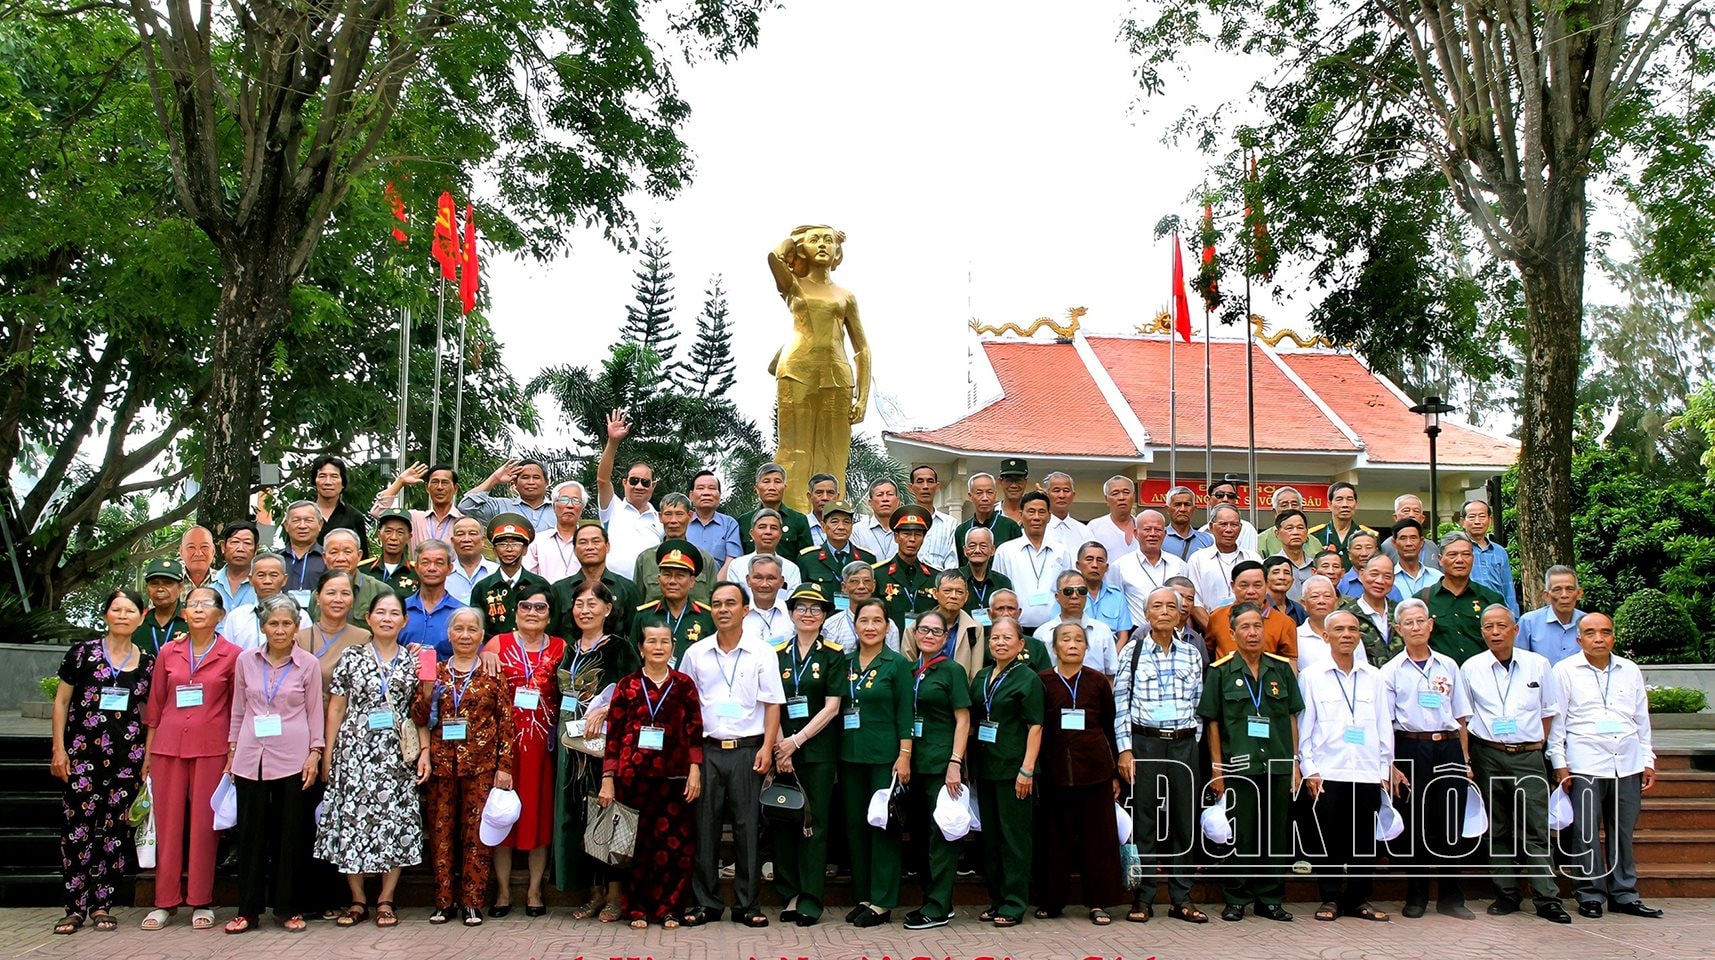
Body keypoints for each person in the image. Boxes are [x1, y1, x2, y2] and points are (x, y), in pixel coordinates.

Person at [314, 591, 429, 929]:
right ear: (369, 618)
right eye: (381, 612)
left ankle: (386, 899)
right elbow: (336, 706)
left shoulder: (412, 661)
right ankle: (358, 899)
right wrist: (328, 754)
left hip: (396, 754)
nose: (387, 618)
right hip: (354, 751)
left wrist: (424, 752)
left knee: (394, 821)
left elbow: (419, 712)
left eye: (395, 613)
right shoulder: (351, 656)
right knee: (352, 821)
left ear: (404, 621)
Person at [50, 589, 154, 936]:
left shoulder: (148, 662)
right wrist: (58, 749)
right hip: (82, 756)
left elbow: (148, 715)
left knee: (116, 831)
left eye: (130, 611)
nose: (123, 616)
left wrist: (147, 759)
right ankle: (74, 907)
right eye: (116, 609)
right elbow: (62, 702)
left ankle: (102, 905)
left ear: (141, 617)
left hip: (127, 760)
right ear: (106, 614)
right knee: (76, 830)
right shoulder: (83, 654)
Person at [682, 583, 784, 927]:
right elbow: (686, 708)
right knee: (704, 828)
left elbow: (772, 705)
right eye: (716, 604)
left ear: (745, 610)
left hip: (747, 751)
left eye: (730, 603)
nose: (723, 609)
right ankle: (706, 903)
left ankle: (747, 905)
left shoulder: (762, 652)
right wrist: (693, 760)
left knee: (747, 829)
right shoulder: (696, 653)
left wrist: (768, 748)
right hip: (708, 749)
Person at [1549, 613, 1663, 919]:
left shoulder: (1630, 669)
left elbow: (1641, 719)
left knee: (1622, 832)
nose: (1598, 638)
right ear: (1579, 639)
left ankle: (1624, 893)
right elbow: (1557, 721)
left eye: (1605, 632)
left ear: (1613, 637)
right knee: (1584, 832)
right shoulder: (1564, 671)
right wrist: (1560, 764)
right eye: (1590, 633)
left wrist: (1647, 759)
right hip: (1585, 762)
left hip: (1627, 762)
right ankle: (1589, 894)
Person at [140, 585, 241, 931]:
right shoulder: (169, 652)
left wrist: (232, 752)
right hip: (167, 746)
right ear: (185, 613)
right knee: (168, 826)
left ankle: (201, 900)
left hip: (211, 748)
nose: (197, 609)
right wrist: (148, 754)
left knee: (203, 827)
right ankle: (164, 902)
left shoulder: (233, 655)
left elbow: (237, 708)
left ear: (220, 615)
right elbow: (155, 705)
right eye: (192, 604)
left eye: (205, 604)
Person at [224, 593, 324, 934]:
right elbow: (238, 708)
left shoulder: (308, 663)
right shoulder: (245, 661)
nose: (279, 630)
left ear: (297, 627)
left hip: (293, 757)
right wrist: (232, 749)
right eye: (272, 623)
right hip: (251, 756)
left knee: (289, 836)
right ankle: (247, 911)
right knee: (250, 836)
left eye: (286, 623)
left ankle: (286, 908)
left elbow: (314, 711)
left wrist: (315, 751)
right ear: (262, 626)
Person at [1461, 604, 1568, 923]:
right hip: (1488, 754)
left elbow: (1550, 711)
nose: (1495, 632)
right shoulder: (1471, 667)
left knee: (1535, 826)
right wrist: (1468, 759)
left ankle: (1547, 897)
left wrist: (1537, 746)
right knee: (1498, 826)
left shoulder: (1538, 664)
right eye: (1489, 627)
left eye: (1501, 626)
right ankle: (1506, 894)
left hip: (1528, 755)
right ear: (1482, 633)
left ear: (1515, 630)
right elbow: (1464, 717)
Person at [1199, 603, 1302, 922]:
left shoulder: (1281, 668)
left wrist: (1295, 762)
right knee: (1241, 833)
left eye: (1258, 626)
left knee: (1275, 833)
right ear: (1232, 633)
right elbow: (1213, 723)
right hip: (1238, 766)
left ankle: (1270, 898)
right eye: (1245, 627)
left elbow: (1291, 716)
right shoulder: (1220, 671)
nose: (1253, 632)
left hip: (1277, 762)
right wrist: (1217, 771)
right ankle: (1236, 898)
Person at [412, 609, 514, 926]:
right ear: (450, 634)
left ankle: (472, 901)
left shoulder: (493, 673)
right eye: (459, 629)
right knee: (441, 834)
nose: (466, 635)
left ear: (482, 635)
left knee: (476, 836)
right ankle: (444, 902)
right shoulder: (436, 672)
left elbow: (506, 724)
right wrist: (427, 690)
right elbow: (418, 716)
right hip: (442, 763)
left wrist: (505, 767)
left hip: (482, 764)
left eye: (472, 629)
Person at [599, 621, 703, 929]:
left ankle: (670, 908)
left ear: (673, 647)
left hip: (675, 778)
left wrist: (695, 768)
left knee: (676, 846)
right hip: (633, 777)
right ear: (641, 647)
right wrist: (608, 777)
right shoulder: (627, 685)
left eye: (664, 642)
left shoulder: (684, 684)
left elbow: (694, 730)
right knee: (637, 846)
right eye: (652, 641)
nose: (658, 647)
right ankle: (637, 908)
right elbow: (614, 735)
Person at [1379, 598, 1474, 920]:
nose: (1416, 627)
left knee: (1450, 822)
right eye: (1409, 623)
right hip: (1410, 748)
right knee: (1416, 823)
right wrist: (1390, 764)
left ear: (1431, 624)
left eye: (1421, 621)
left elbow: (1461, 717)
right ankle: (1416, 895)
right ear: (1398, 629)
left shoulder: (1448, 665)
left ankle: (1452, 897)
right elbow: (1385, 723)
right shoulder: (1390, 671)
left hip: (1447, 748)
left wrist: (1465, 759)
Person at [765, 223, 871, 512]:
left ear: (838, 250)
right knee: (793, 448)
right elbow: (774, 257)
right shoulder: (794, 285)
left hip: (837, 375)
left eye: (828, 240)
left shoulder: (845, 295)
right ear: (802, 249)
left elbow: (861, 347)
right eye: (815, 241)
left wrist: (862, 397)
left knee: (835, 451)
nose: (823, 245)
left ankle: (832, 516)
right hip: (797, 370)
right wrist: (793, 243)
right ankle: (789, 517)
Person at [1114, 586, 1204, 923]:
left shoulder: (1191, 653)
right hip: (1145, 743)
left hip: (1182, 744)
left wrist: (1191, 739)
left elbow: (1198, 702)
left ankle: (1182, 897)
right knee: (1146, 821)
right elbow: (1120, 703)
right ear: (1147, 614)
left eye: (1172, 606)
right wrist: (1125, 750)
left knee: (1184, 821)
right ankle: (1144, 897)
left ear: (1182, 613)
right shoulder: (1132, 652)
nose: (1164, 611)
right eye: (1157, 606)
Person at [552, 578, 641, 920]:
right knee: (578, 816)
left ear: (607, 609)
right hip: (570, 745)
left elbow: (635, 689)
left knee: (608, 813)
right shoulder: (569, 649)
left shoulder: (619, 647)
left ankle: (616, 894)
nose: (585, 610)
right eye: (579, 604)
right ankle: (593, 892)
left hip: (604, 744)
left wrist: (608, 707)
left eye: (592, 604)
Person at [1297, 610, 1394, 923]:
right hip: (1328, 770)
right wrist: (1309, 768)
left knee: (1364, 839)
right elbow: (1304, 725)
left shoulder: (1374, 677)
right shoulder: (1312, 676)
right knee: (1331, 838)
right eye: (1339, 629)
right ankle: (1329, 899)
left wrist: (1384, 770)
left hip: (1365, 770)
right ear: (1327, 637)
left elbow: (1383, 725)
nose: (1347, 635)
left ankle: (1357, 899)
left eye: (1353, 629)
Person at [483, 586, 563, 918]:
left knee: (539, 818)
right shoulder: (496, 645)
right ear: (515, 611)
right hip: (505, 746)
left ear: (550, 615)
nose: (532, 612)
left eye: (540, 608)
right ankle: (502, 892)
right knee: (503, 818)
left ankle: (534, 891)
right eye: (525, 606)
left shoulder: (561, 647)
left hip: (544, 748)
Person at [770, 584, 848, 927]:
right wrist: (782, 745)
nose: (807, 614)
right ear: (790, 613)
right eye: (800, 608)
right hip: (781, 748)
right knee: (783, 820)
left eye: (815, 609)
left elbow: (832, 708)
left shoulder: (834, 653)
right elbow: (771, 702)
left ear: (825, 615)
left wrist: (796, 742)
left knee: (812, 825)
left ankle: (811, 898)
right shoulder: (776, 653)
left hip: (816, 751)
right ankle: (789, 892)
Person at [1037, 622, 1124, 924]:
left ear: (1086, 647)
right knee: (1054, 839)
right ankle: (1051, 901)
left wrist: (1114, 772)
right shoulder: (1043, 681)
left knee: (1097, 840)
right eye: (1066, 639)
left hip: (1095, 770)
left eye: (1078, 640)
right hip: (1054, 771)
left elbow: (1110, 726)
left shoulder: (1098, 682)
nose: (1072, 644)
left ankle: (1099, 902)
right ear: (1055, 647)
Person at [838, 597, 914, 927]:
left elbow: (905, 713)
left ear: (887, 626)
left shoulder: (896, 664)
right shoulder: (845, 663)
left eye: (877, 621)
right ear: (855, 625)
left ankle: (882, 901)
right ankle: (864, 894)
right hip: (850, 754)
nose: (870, 627)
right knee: (855, 826)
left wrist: (905, 755)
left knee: (882, 825)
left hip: (886, 756)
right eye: (864, 620)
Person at [969, 616, 1044, 927]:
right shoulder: (982, 677)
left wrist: (1027, 770)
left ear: (1020, 644)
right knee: (991, 838)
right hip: (986, 768)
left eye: (1007, 638)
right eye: (995, 638)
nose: (1000, 642)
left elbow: (1036, 726)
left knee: (1014, 838)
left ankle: (1014, 903)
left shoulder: (1027, 679)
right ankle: (996, 898)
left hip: (1014, 770)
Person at [899, 610, 971, 931]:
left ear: (945, 638)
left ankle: (938, 906)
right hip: (913, 765)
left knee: (942, 835)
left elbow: (963, 720)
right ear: (914, 634)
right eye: (923, 630)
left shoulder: (952, 670)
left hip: (941, 765)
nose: (928, 635)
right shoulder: (910, 671)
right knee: (920, 837)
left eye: (936, 631)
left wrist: (955, 762)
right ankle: (935, 900)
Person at [596, 410, 664, 582]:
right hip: (612, 587)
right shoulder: (613, 507)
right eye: (634, 480)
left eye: (645, 482)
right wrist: (612, 442)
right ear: (625, 483)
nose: (639, 486)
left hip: (648, 591)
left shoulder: (661, 519)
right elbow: (602, 480)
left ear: (652, 486)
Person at [551, 520, 644, 641]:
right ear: (574, 550)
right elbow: (551, 637)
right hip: (571, 658)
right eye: (583, 542)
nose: (590, 547)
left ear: (607, 547)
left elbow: (636, 637)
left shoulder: (627, 588)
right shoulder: (559, 590)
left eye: (596, 541)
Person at [992, 492, 1073, 630]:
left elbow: (1068, 590)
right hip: (1017, 629)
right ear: (1020, 515)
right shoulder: (1006, 551)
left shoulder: (1061, 551)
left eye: (1041, 512)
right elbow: (999, 592)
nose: (1036, 517)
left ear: (1049, 517)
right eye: (1031, 511)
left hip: (1055, 629)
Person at [1421, 532, 1503, 664]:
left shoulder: (1490, 599)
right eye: (1452, 555)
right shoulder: (1423, 600)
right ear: (1440, 560)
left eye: (1466, 554)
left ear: (1473, 558)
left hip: (1481, 675)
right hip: (1439, 678)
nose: (1460, 560)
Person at [470, 514, 551, 639]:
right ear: (494, 550)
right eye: (502, 544)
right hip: (493, 654)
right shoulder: (482, 588)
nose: (509, 549)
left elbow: (550, 624)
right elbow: (477, 627)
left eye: (515, 544)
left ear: (525, 549)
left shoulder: (540, 584)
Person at [633, 493, 718, 604]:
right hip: (655, 620)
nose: (673, 520)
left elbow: (713, 601)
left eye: (679, 514)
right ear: (660, 517)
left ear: (690, 516)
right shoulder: (645, 559)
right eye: (668, 514)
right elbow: (636, 603)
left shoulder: (705, 560)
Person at [1204, 560, 1298, 661]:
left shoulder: (1285, 623)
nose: (1251, 591)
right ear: (1232, 586)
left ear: (1266, 585)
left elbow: (1290, 662)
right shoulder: (1217, 617)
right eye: (1244, 586)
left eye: (1257, 585)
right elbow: (1209, 653)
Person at [1033, 569, 1120, 676]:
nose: (1074, 596)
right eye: (1068, 591)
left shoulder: (1102, 631)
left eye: (1081, 591)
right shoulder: (1042, 633)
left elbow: (1112, 674)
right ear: (1057, 597)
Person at [1187, 504, 1263, 623]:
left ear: (1240, 527)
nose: (1229, 530)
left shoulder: (1253, 558)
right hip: (1210, 630)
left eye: (1234, 525)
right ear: (1211, 527)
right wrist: (1215, 631)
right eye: (1223, 524)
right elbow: (1195, 603)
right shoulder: (1198, 559)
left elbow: (1263, 596)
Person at [1114, 509, 1188, 627]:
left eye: (1158, 530)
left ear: (1164, 534)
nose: (1153, 534)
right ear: (1136, 533)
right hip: (1137, 634)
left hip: (1173, 633)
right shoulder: (1120, 566)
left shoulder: (1179, 565)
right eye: (1147, 529)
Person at [872, 505, 941, 630]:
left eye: (918, 534)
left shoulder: (935, 576)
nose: (912, 539)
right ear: (896, 537)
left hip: (925, 643)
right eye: (906, 534)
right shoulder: (878, 574)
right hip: (891, 642)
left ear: (923, 538)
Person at [369, 462, 465, 548]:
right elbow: (378, 512)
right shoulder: (415, 519)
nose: (440, 487)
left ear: (455, 489)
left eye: (445, 483)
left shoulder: (464, 522)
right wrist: (400, 481)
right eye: (435, 482)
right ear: (427, 488)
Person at [298, 570, 371, 677]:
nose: (338, 599)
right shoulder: (300, 639)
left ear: (353, 600)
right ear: (318, 598)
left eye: (345, 593)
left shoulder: (364, 639)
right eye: (331, 593)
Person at [312, 527, 394, 622]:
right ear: (324, 557)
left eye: (347, 552)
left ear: (359, 556)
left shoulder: (380, 591)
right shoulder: (318, 595)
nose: (341, 558)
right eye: (334, 552)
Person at [796, 499, 875, 597]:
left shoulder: (866, 558)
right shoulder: (808, 559)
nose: (841, 527)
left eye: (846, 522)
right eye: (834, 522)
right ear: (823, 526)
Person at [225, 553, 304, 651]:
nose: (267, 581)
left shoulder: (301, 616)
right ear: (251, 580)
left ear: (284, 580)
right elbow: (228, 655)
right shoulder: (236, 617)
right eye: (261, 575)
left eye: (273, 575)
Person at [401, 539, 465, 659]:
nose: (432, 568)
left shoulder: (461, 613)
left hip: (447, 676)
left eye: (439, 563)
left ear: (450, 569)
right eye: (425, 563)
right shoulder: (400, 610)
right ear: (417, 567)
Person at [739, 463, 815, 560]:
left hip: (790, 574)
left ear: (784, 487)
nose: (772, 487)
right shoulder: (744, 521)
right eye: (766, 481)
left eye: (777, 481)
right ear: (757, 488)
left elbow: (808, 559)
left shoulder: (798, 519)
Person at [923, 569, 987, 680]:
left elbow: (975, 674)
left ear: (966, 596)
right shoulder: (918, 627)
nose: (953, 596)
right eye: (947, 591)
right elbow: (909, 668)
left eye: (959, 592)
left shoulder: (975, 628)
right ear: (935, 593)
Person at [825, 560, 901, 653]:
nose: (861, 586)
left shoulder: (889, 626)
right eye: (854, 581)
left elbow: (895, 662)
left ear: (873, 586)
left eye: (866, 581)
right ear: (844, 587)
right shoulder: (830, 625)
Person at [1339, 554, 1404, 664]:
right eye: (1374, 574)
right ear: (1361, 574)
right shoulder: (1346, 615)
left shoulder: (1401, 613)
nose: (1380, 581)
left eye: (1387, 576)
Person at [460, 458, 556, 530]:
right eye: (525, 477)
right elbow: (466, 506)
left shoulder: (559, 508)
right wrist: (495, 479)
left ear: (546, 482)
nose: (531, 482)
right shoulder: (499, 506)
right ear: (514, 482)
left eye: (536, 477)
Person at [1518, 565, 1587, 665]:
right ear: (1546, 596)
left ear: (1579, 593)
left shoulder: (1589, 623)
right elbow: (1520, 660)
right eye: (1557, 589)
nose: (1564, 595)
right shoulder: (1529, 622)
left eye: (1570, 589)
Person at [523, 481, 590, 583]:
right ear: (554, 506)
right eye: (564, 500)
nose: (570, 505)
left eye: (576, 500)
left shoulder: (591, 542)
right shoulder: (537, 541)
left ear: (582, 508)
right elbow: (528, 577)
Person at [1460, 499, 1519, 616]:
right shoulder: (1458, 550)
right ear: (1462, 521)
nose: (1477, 522)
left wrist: (1513, 617)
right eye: (1472, 517)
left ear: (1490, 520)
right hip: (1469, 613)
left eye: (1482, 517)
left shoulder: (1499, 551)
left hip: (1498, 613)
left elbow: (1508, 589)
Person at [954, 472, 1023, 566]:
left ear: (995, 495)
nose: (985, 498)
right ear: (970, 496)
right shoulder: (962, 530)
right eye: (979, 493)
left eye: (989, 492)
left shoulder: (1010, 527)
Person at [726, 508, 804, 590]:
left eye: (773, 528)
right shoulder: (737, 566)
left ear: (780, 534)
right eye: (762, 527)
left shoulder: (791, 569)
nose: (768, 532)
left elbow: (793, 601)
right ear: (752, 534)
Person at [307, 455, 370, 554]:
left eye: (334, 476)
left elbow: (363, 559)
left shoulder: (354, 517)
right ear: (314, 481)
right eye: (322, 476)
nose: (328, 482)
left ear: (343, 483)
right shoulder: (302, 515)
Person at [686, 470, 743, 577]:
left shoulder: (729, 524)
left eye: (712, 488)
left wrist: (715, 587)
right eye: (700, 488)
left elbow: (732, 560)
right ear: (691, 495)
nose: (706, 493)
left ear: (719, 495)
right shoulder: (682, 522)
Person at [1075, 541, 1133, 643]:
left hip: (1111, 651)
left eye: (1100, 560)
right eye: (1089, 560)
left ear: (1106, 568)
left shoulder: (1117, 596)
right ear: (1078, 565)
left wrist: (1112, 658)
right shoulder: (1069, 594)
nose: (1094, 565)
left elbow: (1123, 636)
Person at [903, 464, 959, 570]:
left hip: (940, 582)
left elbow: (952, 561)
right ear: (911, 487)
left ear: (937, 486)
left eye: (930, 481)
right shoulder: (902, 522)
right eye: (920, 481)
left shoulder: (950, 524)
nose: (925, 486)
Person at [1297, 575, 1359, 669]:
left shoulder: (1350, 634)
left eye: (1327, 596)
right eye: (1315, 596)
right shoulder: (1295, 636)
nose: (1321, 601)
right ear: (1303, 603)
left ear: (1336, 602)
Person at [1308, 481, 1374, 563]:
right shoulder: (1315, 535)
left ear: (1356, 504)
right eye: (1339, 500)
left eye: (1349, 499)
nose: (1345, 504)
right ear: (1329, 504)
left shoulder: (1369, 536)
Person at [361, 509, 420, 598]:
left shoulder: (417, 572)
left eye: (400, 532)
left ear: (409, 537)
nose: (393, 537)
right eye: (388, 531)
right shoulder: (363, 570)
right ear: (379, 535)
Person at [957, 525, 1013, 619]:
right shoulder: (955, 579)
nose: (977, 550)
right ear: (965, 550)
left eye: (983, 546)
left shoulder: (1002, 582)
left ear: (992, 550)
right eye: (972, 546)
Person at [1086, 475, 1140, 569]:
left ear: (1134, 496)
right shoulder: (1094, 527)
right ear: (1107, 499)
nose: (1121, 497)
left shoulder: (1143, 527)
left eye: (1126, 492)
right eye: (1115, 493)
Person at [139, 557, 188, 656]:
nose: (160, 589)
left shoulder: (192, 621)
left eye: (168, 583)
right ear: (147, 588)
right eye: (154, 584)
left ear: (180, 587)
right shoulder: (137, 622)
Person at [279, 500, 328, 598]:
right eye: (296, 520)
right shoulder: (275, 560)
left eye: (308, 520)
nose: (302, 526)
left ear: (320, 524)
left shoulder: (328, 559)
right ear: (286, 526)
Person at [1257, 487, 1324, 557]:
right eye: (1284, 505)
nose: (1290, 508)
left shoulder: (1315, 543)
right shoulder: (1260, 541)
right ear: (1275, 512)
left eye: (1294, 504)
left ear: (1301, 509)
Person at [742, 556, 794, 646]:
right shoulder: (738, 613)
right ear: (748, 580)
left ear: (781, 582)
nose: (764, 584)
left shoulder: (792, 612)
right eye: (758, 578)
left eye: (771, 578)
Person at [445, 517, 498, 605]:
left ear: (482, 540)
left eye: (472, 534)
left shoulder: (497, 572)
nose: (466, 539)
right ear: (452, 541)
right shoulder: (444, 575)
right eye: (460, 534)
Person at [1199, 477, 1259, 553]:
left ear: (1235, 500)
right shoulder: (1202, 531)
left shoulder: (1247, 529)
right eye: (1219, 495)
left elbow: (1250, 561)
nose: (1225, 499)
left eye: (1230, 496)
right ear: (1208, 499)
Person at [1267, 509, 1317, 600]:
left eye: (1300, 527)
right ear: (1277, 534)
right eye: (1289, 528)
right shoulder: (1268, 566)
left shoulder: (1316, 566)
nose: (1296, 532)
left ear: (1307, 532)